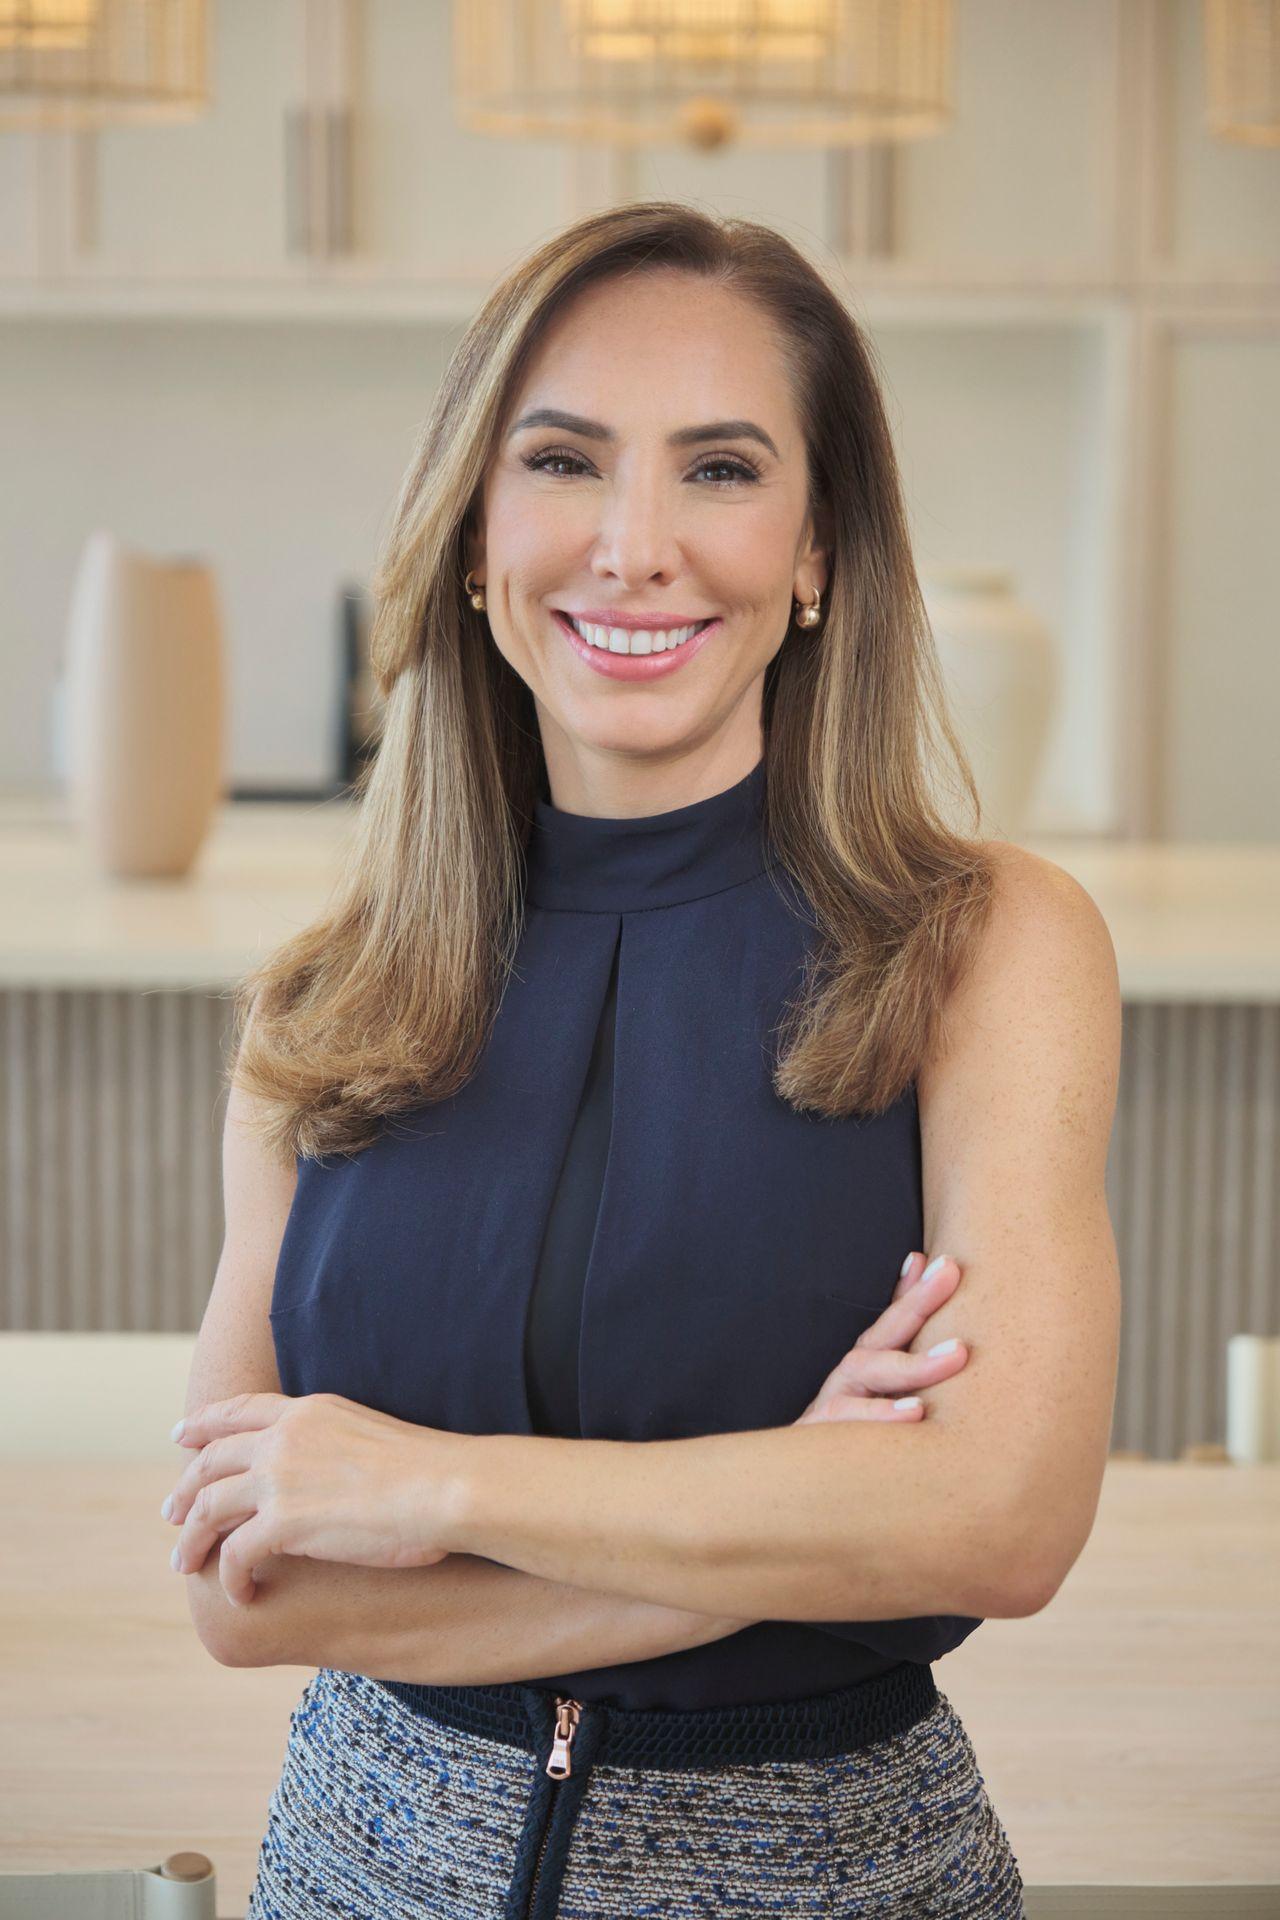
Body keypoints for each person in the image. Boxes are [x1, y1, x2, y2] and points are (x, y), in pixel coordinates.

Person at [164, 202, 1121, 1917]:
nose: (634, 545)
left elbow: (1000, 1521)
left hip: (832, 1877)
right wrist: (795, 1516)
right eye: (564, 461)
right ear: (474, 535)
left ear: (821, 547)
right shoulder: (325, 1005)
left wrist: (425, 1489)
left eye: (723, 470)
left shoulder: (990, 945)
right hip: (363, 1871)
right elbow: (251, 1591)